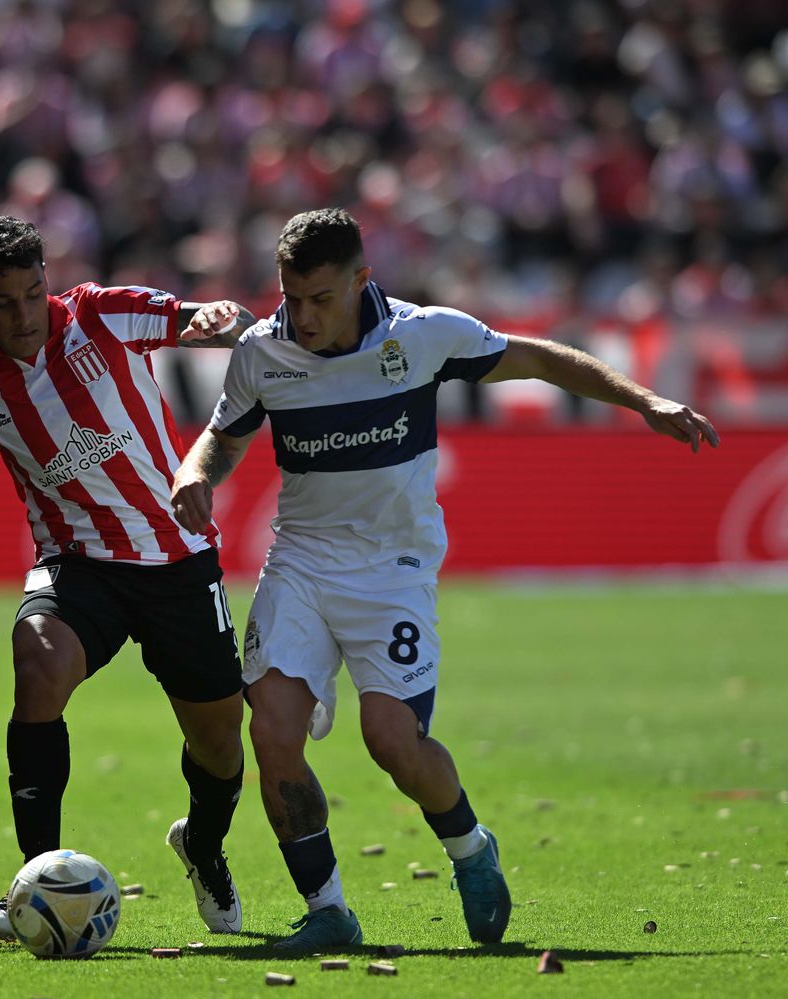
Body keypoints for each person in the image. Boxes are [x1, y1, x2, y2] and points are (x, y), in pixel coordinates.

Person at [170, 208, 719, 954]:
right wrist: (194, 472)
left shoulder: (423, 334)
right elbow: (223, 436)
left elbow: (544, 359)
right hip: (300, 560)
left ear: (362, 278)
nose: (301, 316)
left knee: (392, 739)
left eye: (320, 298)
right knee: (271, 731)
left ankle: (469, 846)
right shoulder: (264, 353)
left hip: (393, 569)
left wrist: (645, 400)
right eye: (290, 296)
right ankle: (328, 908)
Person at [0, 215, 258, 941]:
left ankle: (204, 845)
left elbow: (203, 320)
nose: (24, 314)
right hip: (78, 561)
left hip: (177, 558)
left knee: (219, 742)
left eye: (34, 293)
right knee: (37, 660)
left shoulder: (100, 312)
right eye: (4, 302)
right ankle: (35, 881)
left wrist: (220, 317)